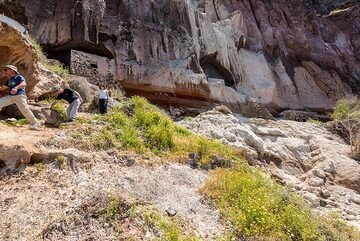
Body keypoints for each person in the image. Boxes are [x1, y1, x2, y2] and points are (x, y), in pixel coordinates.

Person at [0, 65, 40, 130]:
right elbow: (2, 88)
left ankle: (35, 123)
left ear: (12, 70)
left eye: (6, 70)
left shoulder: (19, 77)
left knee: (24, 109)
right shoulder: (9, 80)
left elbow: (24, 84)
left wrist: (15, 88)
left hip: (20, 96)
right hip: (11, 97)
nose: (5, 71)